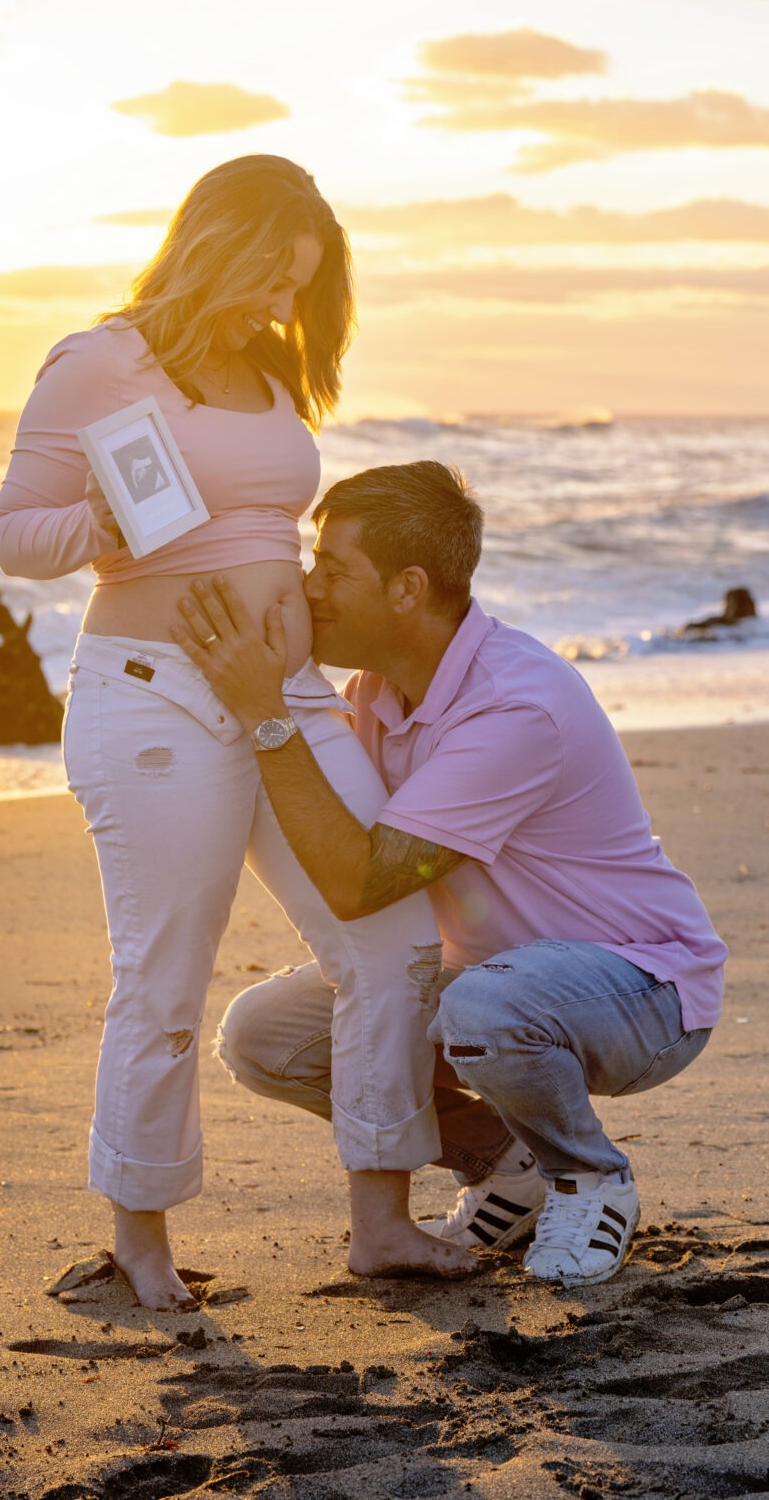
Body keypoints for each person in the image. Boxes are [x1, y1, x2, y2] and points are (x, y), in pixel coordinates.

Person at [0, 158, 474, 1310]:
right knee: (166, 970)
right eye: (273, 276)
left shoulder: (265, 371)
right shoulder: (100, 361)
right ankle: (138, 1241)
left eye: (300, 289)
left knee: (390, 939)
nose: (283, 307)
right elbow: (17, 534)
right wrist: (106, 515)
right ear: (216, 241)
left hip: (289, 694)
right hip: (154, 691)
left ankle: (380, 1223)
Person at [172, 459, 727, 1288]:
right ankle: (506, 1163)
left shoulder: (513, 707)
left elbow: (361, 882)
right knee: (265, 1036)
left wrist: (265, 710)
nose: (308, 584)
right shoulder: (372, 693)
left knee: (484, 1008)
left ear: (408, 588)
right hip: (494, 985)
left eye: (333, 568)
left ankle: (588, 1175)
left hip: (644, 991)